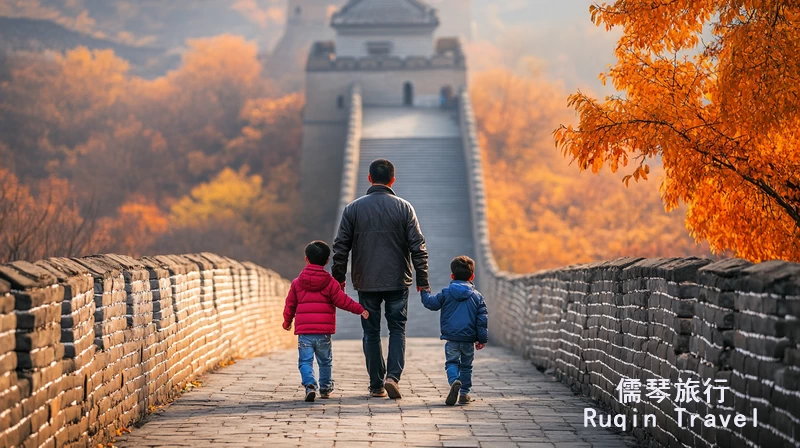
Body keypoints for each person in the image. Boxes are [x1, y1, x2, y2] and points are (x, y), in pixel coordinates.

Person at [332, 159, 429, 399]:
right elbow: (418, 246)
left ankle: (376, 384)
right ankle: (392, 377)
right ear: (392, 180)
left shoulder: (352, 209)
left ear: (368, 178)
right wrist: (422, 278)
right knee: (397, 329)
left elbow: (340, 246)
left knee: (371, 332)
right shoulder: (404, 207)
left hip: (366, 282)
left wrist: (338, 278)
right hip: (398, 281)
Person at [283, 240, 370, 402]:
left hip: (305, 333)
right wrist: (360, 309)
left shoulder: (296, 283)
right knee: (325, 361)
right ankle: (325, 387)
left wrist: (287, 322)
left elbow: (290, 305)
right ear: (327, 261)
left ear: (306, 259)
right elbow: (343, 300)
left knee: (305, 361)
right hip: (323, 333)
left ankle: (310, 385)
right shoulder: (330, 283)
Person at [421, 256, 488, 406]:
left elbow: (431, 304)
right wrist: (481, 339)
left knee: (451, 362)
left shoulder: (446, 293)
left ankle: (453, 381)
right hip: (468, 339)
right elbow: (482, 320)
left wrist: (424, 292)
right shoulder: (477, 296)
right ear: (472, 276)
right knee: (466, 366)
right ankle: (464, 394)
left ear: (452, 276)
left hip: (452, 338)